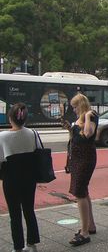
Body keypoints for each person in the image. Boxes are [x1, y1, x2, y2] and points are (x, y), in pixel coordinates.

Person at [0, 103, 40, 252]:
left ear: (11, 118)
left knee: (14, 214)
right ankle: (33, 243)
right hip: (29, 178)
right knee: (29, 210)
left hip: (11, 179)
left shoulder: (3, 136)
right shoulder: (32, 133)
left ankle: (18, 247)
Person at [62, 93, 98, 246]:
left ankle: (84, 232)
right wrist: (70, 128)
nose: (74, 110)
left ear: (82, 105)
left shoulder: (92, 115)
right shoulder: (78, 119)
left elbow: (88, 134)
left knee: (79, 192)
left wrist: (88, 117)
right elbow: (75, 137)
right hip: (76, 158)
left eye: (75, 107)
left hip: (85, 158)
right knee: (83, 191)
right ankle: (90, 225)